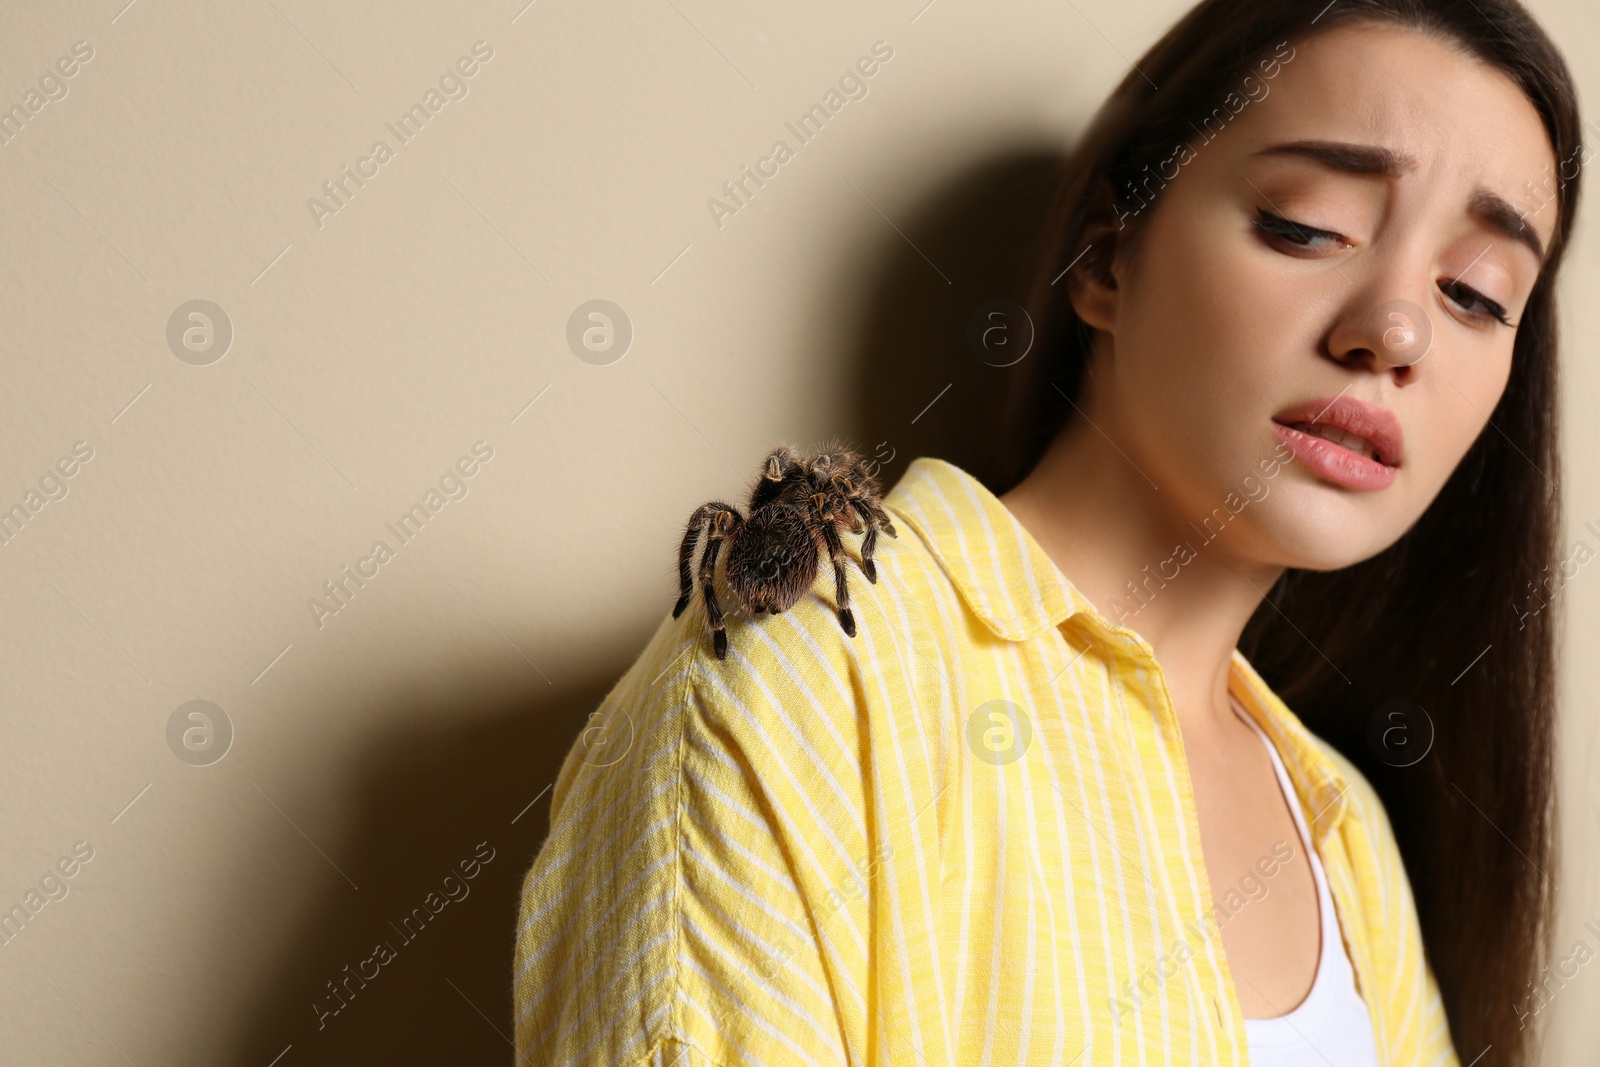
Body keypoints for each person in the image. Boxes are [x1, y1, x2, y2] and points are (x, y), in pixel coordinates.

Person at [513, 0, 1585, 1063]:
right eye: (1307, 224)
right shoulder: (802, 681)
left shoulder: (1343, 829)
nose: (1395, 330)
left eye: (1475, 294)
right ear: (1105, 261)